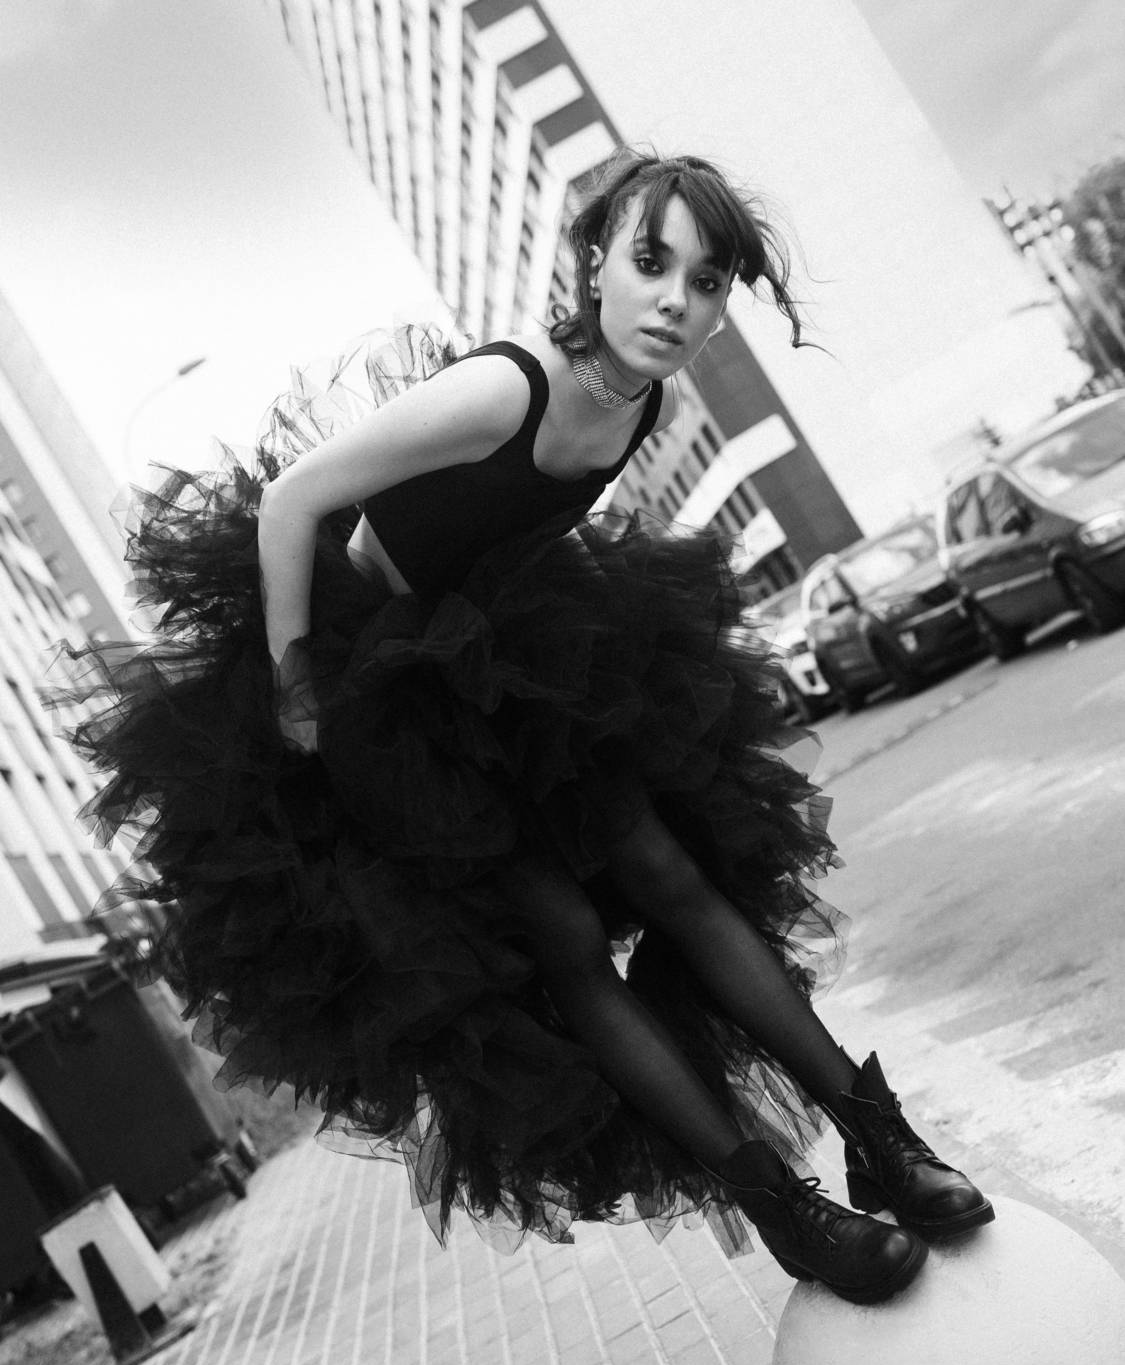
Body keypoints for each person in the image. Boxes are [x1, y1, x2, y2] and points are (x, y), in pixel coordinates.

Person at [65, 148, 992, 1305]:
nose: (675, 300)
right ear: (596, 261)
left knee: (673, 874)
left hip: (506, 658)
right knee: (565, 938)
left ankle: (879, 1138)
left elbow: (523, 529)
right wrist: (298, 687)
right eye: (652, 262)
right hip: (374, 684)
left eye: (707, 282)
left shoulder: (643, 400)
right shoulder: (503, 392)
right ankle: (784, 1211)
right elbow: (293, 500)